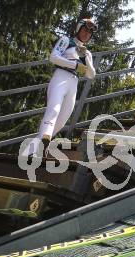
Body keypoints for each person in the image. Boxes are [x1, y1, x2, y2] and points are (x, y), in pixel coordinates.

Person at [22, 18, 97, 156]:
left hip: (73, 83)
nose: (87, 34)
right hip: (60, 76)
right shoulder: (66, 40)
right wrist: (74, 65)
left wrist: (85, 57)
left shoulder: (87, 53)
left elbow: (91, 75)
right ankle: (45, 138)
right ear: (79, 29)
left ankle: (32, 150)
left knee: (62, 119)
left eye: (90, 33)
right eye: (85, 30)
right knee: (54, 110)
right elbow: (53, 57)